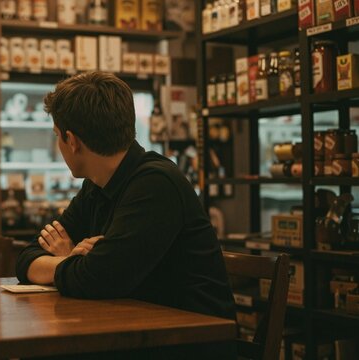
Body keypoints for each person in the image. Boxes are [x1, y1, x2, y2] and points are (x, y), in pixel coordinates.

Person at [15, 72, 236, 359]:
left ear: (72, 141)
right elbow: (27, 258)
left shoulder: (155, 185)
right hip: (137, 334)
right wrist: (71, 261)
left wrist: (79, 266)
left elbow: (97, 279)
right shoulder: (95, 184)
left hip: (188, 344)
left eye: (57, 135)